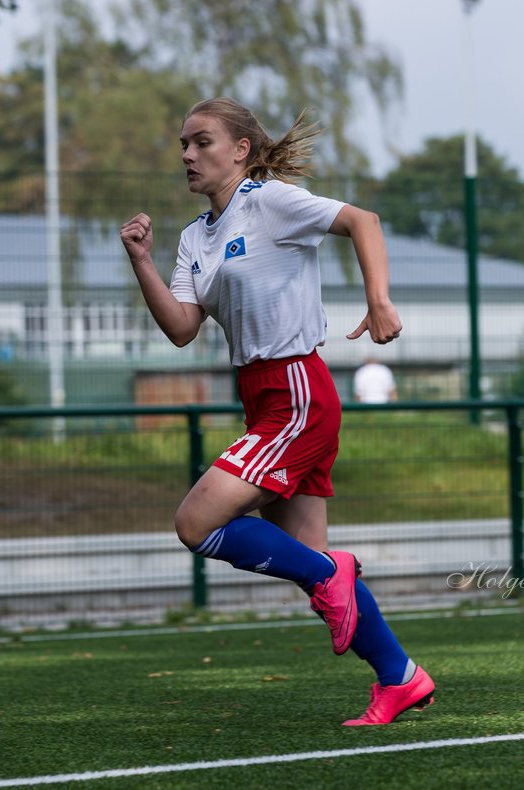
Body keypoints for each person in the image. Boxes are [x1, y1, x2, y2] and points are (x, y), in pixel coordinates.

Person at [120, 97, 434, 726]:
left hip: (297, 390)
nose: (187, 153)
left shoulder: (268, 201)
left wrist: (379, 300)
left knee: (196, 522)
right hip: (261, 395)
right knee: (313, 571)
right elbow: (182, 329)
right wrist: (142, 262)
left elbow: (363, 221)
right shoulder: (193, 238)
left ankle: (331, 572)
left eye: (201, 141)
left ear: (240, 150)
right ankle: (400, 677)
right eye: (182, 143)